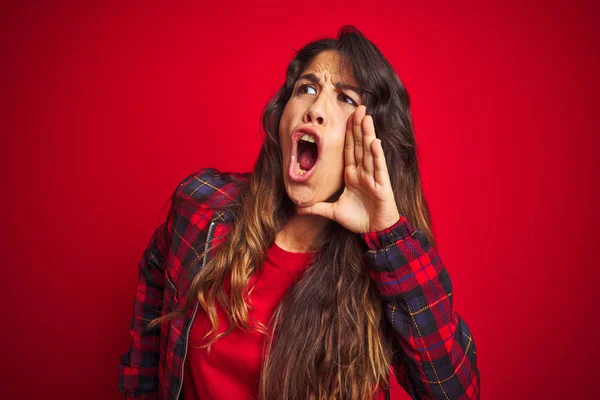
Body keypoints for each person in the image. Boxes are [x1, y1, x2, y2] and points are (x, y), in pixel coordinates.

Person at [118, 26, 480, 400]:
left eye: (345, 98)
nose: (315, 109)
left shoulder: (385, 270)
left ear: (374, 142)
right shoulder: (202, 206)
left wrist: (386, 233)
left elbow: (455, 391)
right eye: (306, 88)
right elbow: (156, 279)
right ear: (281, 118)